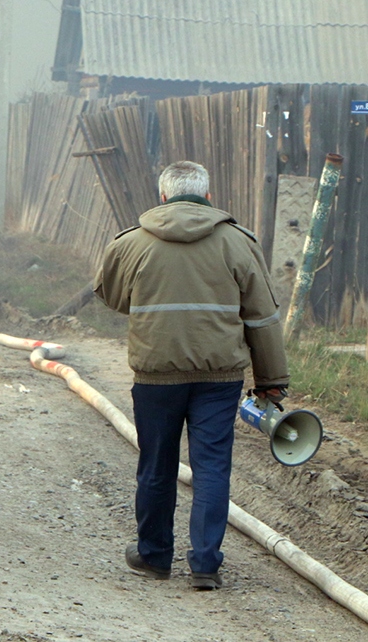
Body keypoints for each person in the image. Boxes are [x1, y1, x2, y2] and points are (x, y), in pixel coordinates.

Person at [94, 160, 289, 590]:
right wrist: (271, 380)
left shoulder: (133, 243)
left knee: (156, 467)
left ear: (163, 196)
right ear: (207, 196)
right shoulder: (239, 243)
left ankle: (154, 556)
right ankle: (205, 565)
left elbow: (111, 295)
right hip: (219, 379)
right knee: (213, 468)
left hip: (155, 376)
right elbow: (262, 317)